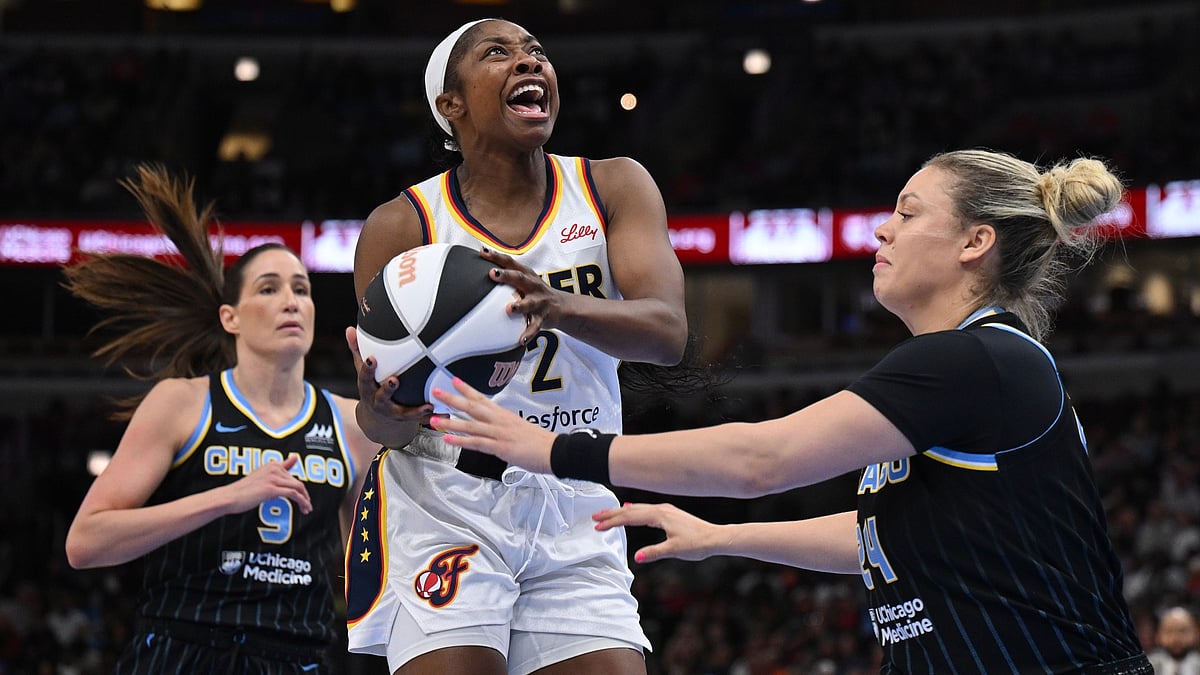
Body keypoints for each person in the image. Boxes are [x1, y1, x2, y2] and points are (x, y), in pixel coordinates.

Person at [429, 149, 1155, 673]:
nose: (882, 230)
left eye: (908, 213)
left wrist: (555, 449)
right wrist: (722, 536)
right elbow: (882, 535)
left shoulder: (973, 360)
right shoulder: (971, 366)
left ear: (976, 242)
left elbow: (761, 459)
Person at [341, 17, 687, 675]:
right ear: (451, 103)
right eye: (498, 53)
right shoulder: (401, 224)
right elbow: (388, 426)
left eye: (536, 52)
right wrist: (381, 407)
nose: (529, 62)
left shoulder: (613, 185)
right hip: (447, 500)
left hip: (575, 493)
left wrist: (554, 303)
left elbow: (668, 334)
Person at [63, 165, 377, 674]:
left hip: (296, 656)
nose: (291, 302)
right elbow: (85, 542)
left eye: (302, 289)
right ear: (230, 317)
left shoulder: (351, 424)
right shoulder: (182, 403)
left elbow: (365, 567)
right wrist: (228, 497)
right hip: (183, 647)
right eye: (269, 289)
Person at [1148, 606, 1200, 675]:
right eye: (1169, 631)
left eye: (1183, 631)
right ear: (1159, 635)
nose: (1175, 637)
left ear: (1195, 633)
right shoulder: (1149, 667)